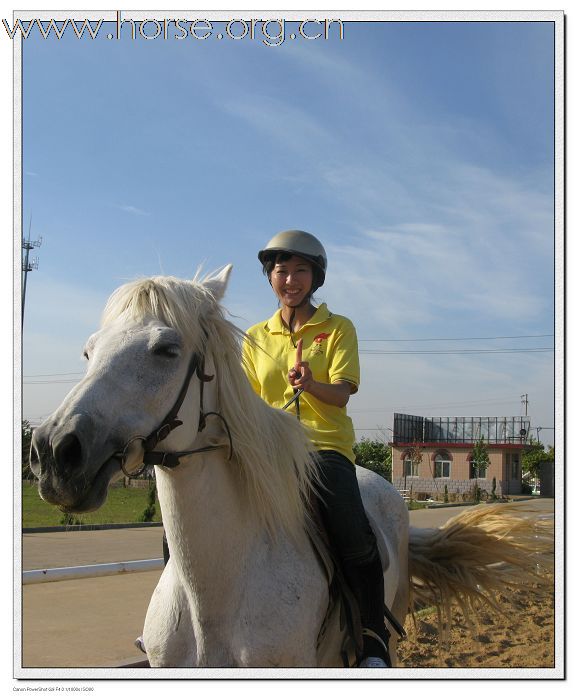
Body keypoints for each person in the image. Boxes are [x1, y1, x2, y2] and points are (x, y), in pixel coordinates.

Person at [242, 230, 391, 668]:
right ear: (270, 277)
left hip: (323, 447)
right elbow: (249, 401)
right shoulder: (254, 336)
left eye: (300, 271)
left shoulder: (338, 328)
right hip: (268, 448)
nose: (290, 280)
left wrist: (311, 384)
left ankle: (373, 638)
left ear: (316, 276)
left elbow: (343, 393)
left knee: (350, 528)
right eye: (281, 271)